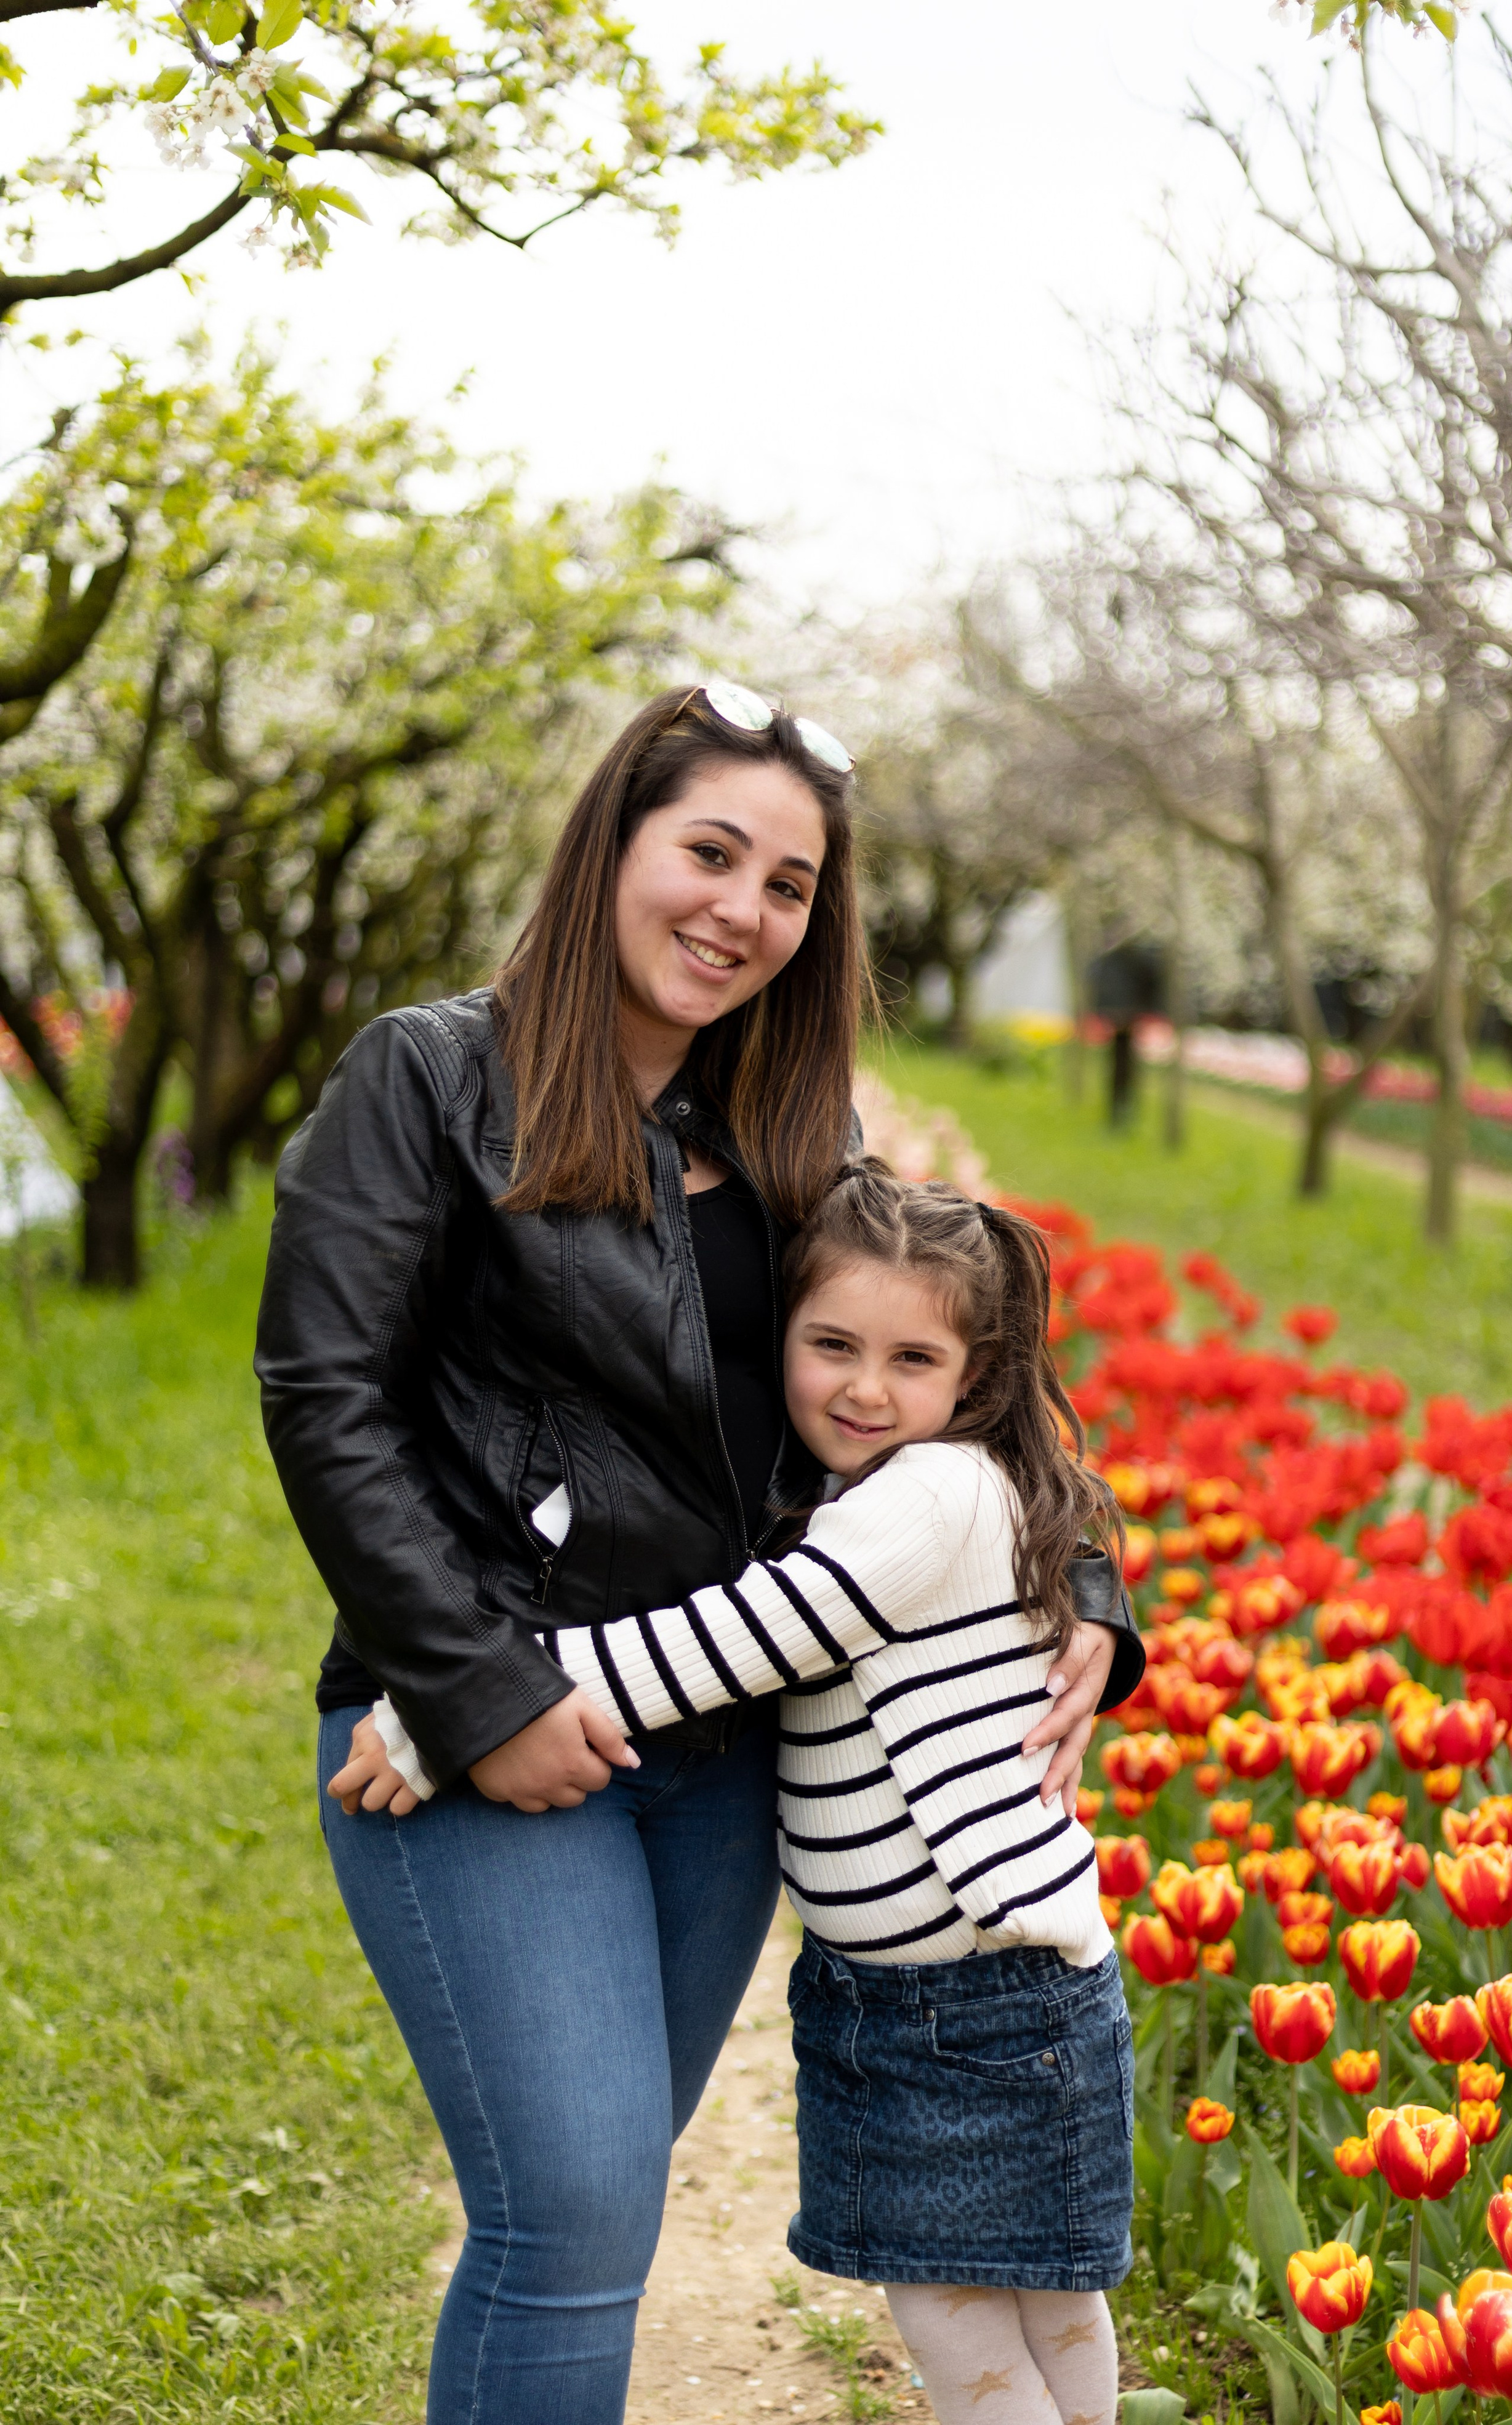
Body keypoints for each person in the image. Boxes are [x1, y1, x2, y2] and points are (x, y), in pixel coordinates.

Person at [257, 679, 1142, 2425]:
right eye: (711, 852)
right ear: (615, 847)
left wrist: (1096, 1594)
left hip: (717, 1760)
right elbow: (324, 1396)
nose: (742, 909)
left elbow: (983, 1385)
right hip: (492, 1739)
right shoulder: (429, 1080)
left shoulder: (794, 1139)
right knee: (572, 2208)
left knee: (590, 2197)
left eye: (790, 885)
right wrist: (476, 1684)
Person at [340, 1164, 1143, 2425]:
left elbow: (733, 1637)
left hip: (968, 2003)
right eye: (829, 1344)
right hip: (985, 1988)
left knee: (956, 2316)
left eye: (909, 1358)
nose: (863, 1387)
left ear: (973, 1380)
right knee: (1043, 2300)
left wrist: (461, 1701)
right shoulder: (900, 1485)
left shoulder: (922, 1497)